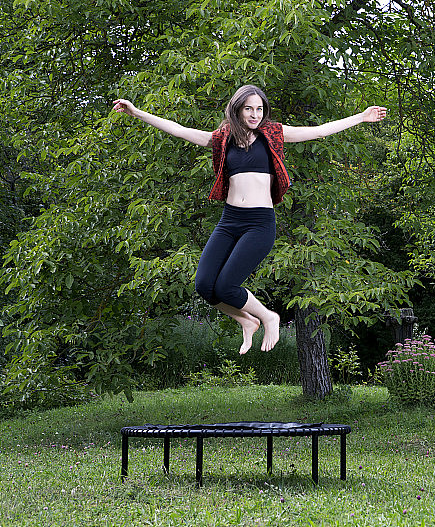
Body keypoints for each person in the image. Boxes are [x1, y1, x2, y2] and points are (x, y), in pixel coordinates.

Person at [112, 85, 387, 354]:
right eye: (248, 109)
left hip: (259, 223)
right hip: (229, 220)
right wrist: (137, 112)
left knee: (226, 286)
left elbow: (319, 131)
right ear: (237, 110)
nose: (255, 115)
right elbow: (179, 130)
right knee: (204, 285)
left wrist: (361, 117)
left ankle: (269, 317)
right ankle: (246, 321)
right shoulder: (223, 138)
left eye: (259, 109)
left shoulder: (273, 134)